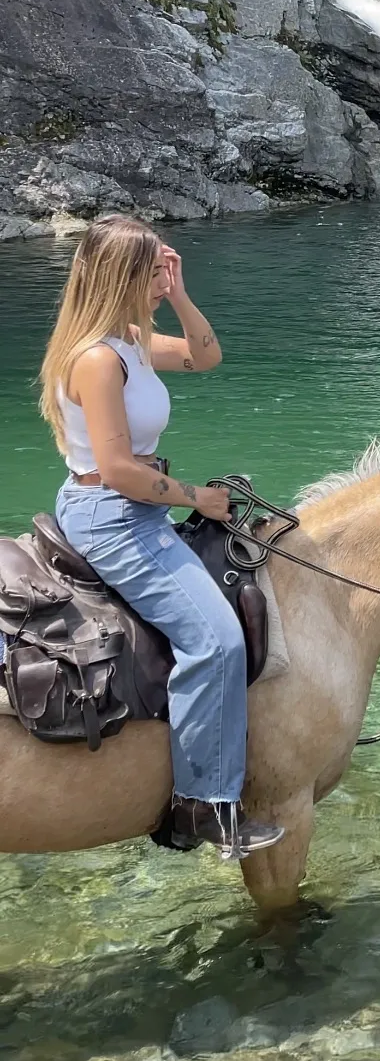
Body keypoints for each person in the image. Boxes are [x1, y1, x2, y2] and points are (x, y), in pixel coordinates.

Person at [38, 214, 285, 858]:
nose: (158, 279)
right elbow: (118, 471)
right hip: (113, 513)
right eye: (150, 271)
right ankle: (202, 805)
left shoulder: (130, 343)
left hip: (136, 509)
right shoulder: (96, 360)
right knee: (217, 640)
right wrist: (197, 499)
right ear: (121, 275)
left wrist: (177, 292)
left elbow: (207, 356)